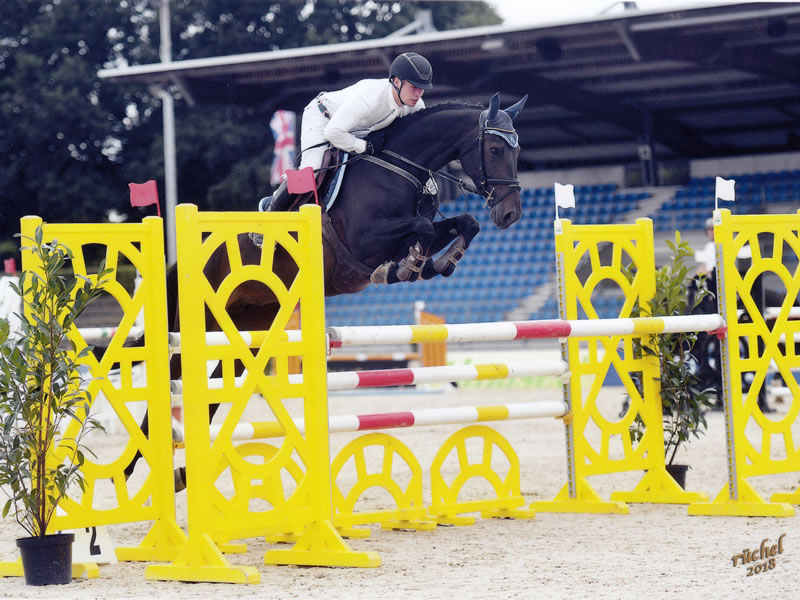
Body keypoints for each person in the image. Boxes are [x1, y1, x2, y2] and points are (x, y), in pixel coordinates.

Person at [264, 52, 433, 212]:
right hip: (324, 120)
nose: (418, 94)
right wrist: (365, 147)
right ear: (396, 82)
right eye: (413, 87)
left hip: (355, 129)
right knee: (312, 172)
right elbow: (333, 132)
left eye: (422, 88)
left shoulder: (416, 104)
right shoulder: (371, 98)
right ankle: (269, 214)